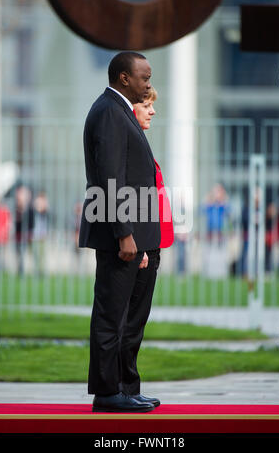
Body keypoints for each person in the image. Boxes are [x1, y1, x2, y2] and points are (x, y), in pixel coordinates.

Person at [79, 52, 165, 413]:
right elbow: (112, 179)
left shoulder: (120, 110)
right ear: (123, 78)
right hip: (122, 238)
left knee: (130, 319)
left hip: (135, 236)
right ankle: (107, 391)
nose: (148, 84)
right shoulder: (110, 112)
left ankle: (126, 388)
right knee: (111, 316)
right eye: (144, 77)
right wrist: (124, 233)